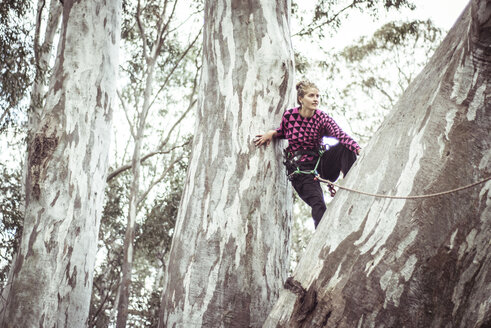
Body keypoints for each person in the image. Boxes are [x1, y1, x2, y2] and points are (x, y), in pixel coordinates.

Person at [255, 80, 361, 228]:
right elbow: (284, 132)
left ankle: (351, 185)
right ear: (301, 99)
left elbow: (339, 134)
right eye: (311, 95)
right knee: (318, 204)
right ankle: (321, 239)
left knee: (345, 147)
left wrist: (358, 149)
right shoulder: (289, 116)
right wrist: (271, 134)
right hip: (301, 172)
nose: (316, 99)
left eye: (318, 96)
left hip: (320, 165)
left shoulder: (322, 118)